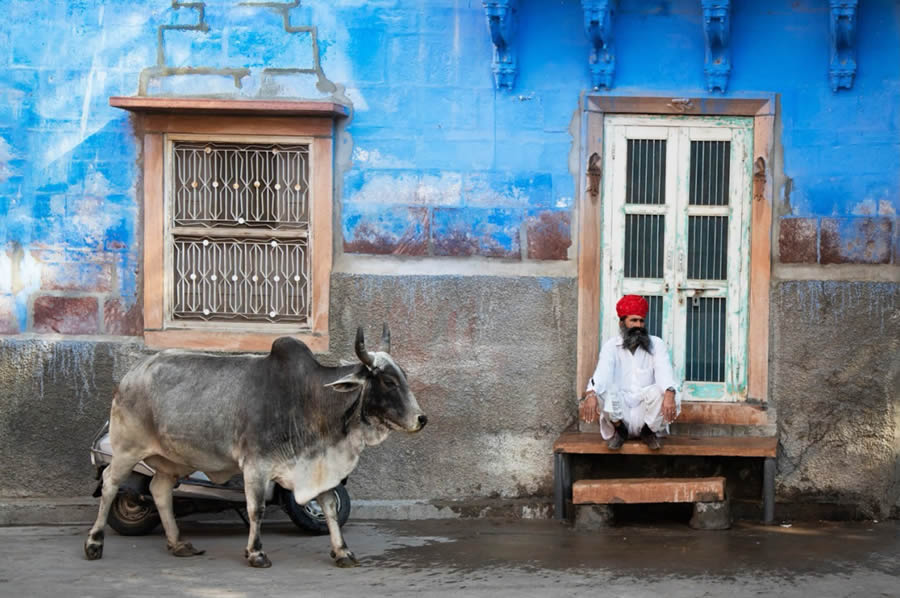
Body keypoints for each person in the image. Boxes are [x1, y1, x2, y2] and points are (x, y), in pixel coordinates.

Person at [578, 295, 679, 450]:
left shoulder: (656, 344)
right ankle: (621, 431)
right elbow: (602, 374)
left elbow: (664, 372)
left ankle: (648, 432)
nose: (638, 325)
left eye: (641, 321)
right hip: (620, 413)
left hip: (647, 415)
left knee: (668, 390)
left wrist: (669, 393)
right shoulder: (611, 346)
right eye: (633, 321)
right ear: (622, 323)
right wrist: (591, 393)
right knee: (600, 390)